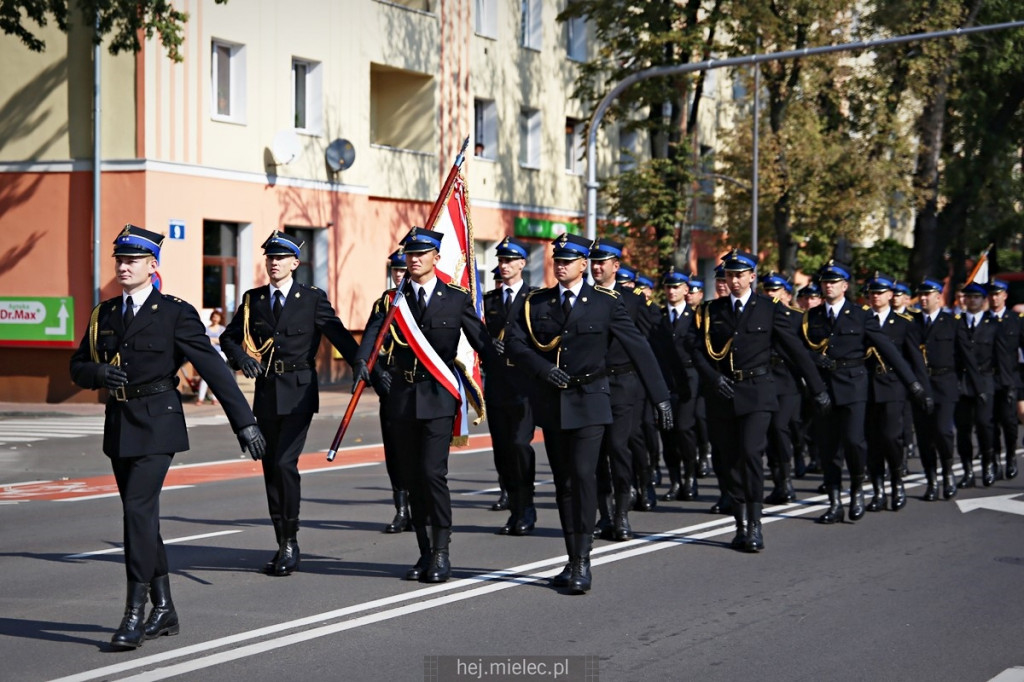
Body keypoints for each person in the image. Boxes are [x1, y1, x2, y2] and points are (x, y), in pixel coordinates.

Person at [70, 224, 266, 650]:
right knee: (142, 517)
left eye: (133, 260)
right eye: (119, 260)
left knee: (136, 513)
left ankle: (134, 614)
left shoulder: (175, 312)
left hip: (159, 423)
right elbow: (77, 366)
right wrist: (97, 373)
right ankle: (165, 608)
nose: (124, 266)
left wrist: (245, 422)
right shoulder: (103, 314)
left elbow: (212, 368)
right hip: (119, 423)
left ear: (152, 266)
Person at [506, 233, 672, 593]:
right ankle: (571, 557)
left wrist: (661, 397)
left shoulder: (606, 303)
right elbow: (514, 342)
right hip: (553, 402)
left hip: (592, 398)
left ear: (584, 264)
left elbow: (639, 348)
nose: (561, 265)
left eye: (569, 260)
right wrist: (541, 368)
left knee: (583, 476)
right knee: (565, 482)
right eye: (557, 260)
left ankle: (583, 561)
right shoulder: (538, 302)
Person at [354, 226, 497, 583]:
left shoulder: (455, 298)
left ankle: (442, 552)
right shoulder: (391, 302)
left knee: (433, 474)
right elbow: (369, 346)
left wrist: (507, 365)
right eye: (409, 254)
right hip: (402, 399)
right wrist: (368, 371)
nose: (414, 259)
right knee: (412, 479)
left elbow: (482, 341)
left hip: (438, 397)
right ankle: (424, 552)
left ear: (436, 258)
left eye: (421, 254)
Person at [220, 230, 359, 577]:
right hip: (267, 392)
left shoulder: (311, 298)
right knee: (270, 469)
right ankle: (281, 538)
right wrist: (240, 356)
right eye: (269, 258)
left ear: (295, 263)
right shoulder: (254, 300)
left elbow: (338, 334)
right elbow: (228, 337)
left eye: (280, 258)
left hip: (299, 392)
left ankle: (290, 542)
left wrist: (362, 364)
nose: (273, 263)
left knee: (284, 463)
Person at [691, 250, 828, 552]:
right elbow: (696, 350)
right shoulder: (711, 310)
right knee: (728, 460)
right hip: (722, 395)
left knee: (751, 454)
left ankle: (754, 523)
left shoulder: (769, 308)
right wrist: (713, 379)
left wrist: (817, 388)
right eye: (729, 275)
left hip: (757, 391)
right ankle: (739, 522)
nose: (734, 280)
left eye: (740, 275)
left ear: (752, 276)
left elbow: (795, 350)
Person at [801, 260, 930, 524]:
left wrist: (914, 384)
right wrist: (813, 360)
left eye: (834, 282)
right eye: (825, 282)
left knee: (854, 441)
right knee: (827, 448)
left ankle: (858, 491)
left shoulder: (861, 315)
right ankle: (835, 502)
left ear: (845, 286)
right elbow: (799, 348)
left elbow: (889, 350)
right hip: (824, 388)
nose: (828, 286)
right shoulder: (811, 317)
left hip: (854, 385)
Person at [589, 239, 661, 540]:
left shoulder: (633, 301)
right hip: (592, 384)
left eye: (602, 262)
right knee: (596, 454)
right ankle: (604, 515)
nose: (596, 267)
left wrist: (658, 393)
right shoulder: (584, 297)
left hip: (623, 384)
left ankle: (621, 514)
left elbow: (645, 346)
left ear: (615, 266)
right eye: (593, 261)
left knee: (618, 449)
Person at [483, 237, 539, 536]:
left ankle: (526, 506)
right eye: (501, 261)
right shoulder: (489, 301)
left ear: (522, 264)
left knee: (520, 445)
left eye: (509, 261)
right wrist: (486, 346)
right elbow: (477, 336)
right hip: (496, 385)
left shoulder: (535, 298)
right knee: (503, 450)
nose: (504, 266)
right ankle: (515, 507)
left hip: (524, 386)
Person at [862, 273, 931, 512]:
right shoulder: (861, 321)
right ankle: (879, 490)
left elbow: (914, 360)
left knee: (891, 437)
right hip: (867, 388)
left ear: (891, 295)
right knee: (872, 441)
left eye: (880, 293)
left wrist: (922, 390)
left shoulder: (903, 324)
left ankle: (897, 482)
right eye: (872, 293)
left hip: (893, 387)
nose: (875, 297)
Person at [363, 248, 415, 534]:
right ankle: (401, 508)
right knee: (394, 450)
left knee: (417, 451)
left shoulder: (419, 303)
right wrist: (376, 373)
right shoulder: (384, 304)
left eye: (402, 270)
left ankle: (418, 507)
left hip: (416, 385)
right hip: (391, 386)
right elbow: (370, 344)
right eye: (395, 271)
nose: (399, 275)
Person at [911, 278, 965, 500]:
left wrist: (968, 384)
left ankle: (948, 472)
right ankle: (931, 480)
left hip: (945, 383)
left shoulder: (952, 322)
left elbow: (964, 355)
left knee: (943, 431)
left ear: (938, 297)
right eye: (920, 295)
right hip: (920, 386)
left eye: (928, 294)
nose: (923, 299)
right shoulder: (911, 323)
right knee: (924, 436)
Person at [653, 268, 701, 502]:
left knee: (684, 428)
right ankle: (675, 480)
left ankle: (690, 477)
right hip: (664, 379)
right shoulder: (658, 317)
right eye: (668, 287)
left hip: (688, 378)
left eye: (676, 287)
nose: (671, 291)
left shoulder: (696, 318)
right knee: (668, 432)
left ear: (685, 290)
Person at [759, 272, 803, 504]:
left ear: (786, 293)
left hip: (788, 380)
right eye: (767, 290)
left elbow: (804, 351)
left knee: (780, 427)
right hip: (766, 379)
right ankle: (778, 482)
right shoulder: (760, 315)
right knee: (769, 432)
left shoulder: (798, 318)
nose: (770, 294)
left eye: (775, 290)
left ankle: (786, 480)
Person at [953, 281, 1003, 487]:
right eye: (968, 297)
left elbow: (1000, 358)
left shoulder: (993, 325)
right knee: (963, 430)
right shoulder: (956, 323)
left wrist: (1003, 385)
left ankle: (988, 465)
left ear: (983, 300)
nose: (971, 300)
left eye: (976, 297)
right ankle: (967, 471)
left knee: (985, 426)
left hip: (985, 381)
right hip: (962, 383)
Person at [987, 279, 1021, 481]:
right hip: (987, 379)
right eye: (991, 294)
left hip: (1009, 378)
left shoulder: (1015, 320)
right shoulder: (982, 320)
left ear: (1005, 296)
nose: (994, 297)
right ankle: (993, 461)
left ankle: (1010, 457)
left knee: (1009, 422)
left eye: (998, 294)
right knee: (989, 423)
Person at [685, 276, 711, 478]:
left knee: (702, 418)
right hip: (686, 374)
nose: (689, 295)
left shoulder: (706, 314)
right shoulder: (682, 315)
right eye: (688, 291)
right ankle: (695, 456)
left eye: (693, 292)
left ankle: (704, 452)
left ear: (700, 295)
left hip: (703, 375)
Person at [196, 308, 226, 404]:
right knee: (205, 377)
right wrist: (214, 340)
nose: (215, 318)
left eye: (217, 317)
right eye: (213, 316)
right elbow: (204, 340)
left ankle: (215, 398)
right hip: (208, 355)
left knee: (218, 377)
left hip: (220, 354)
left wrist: (212, 340)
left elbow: (222, 341)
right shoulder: (206, 328)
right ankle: (200, 398)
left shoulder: (222, 329)